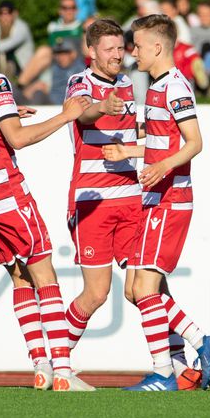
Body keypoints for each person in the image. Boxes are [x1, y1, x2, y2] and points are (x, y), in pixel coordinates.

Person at [0, 5, 94, 391]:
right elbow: (18, 139)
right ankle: (63, 371)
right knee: (44, 272)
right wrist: (66, 115)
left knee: (19, 275)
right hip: (2, 190)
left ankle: (40, 367)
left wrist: (3, 117)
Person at [103, 14, 210, 391]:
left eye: (137, 46)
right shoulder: (155, 87)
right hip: (154, 197)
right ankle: (196, 347)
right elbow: (162, 146)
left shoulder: (176, 87)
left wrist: (161, 169)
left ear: (157, 47)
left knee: (144, 290)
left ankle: (165, 372)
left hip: (171, 199)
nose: (131, 52)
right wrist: (130, 150)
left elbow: (194, 143)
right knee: (134, 290)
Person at [61, 19, 142, 361]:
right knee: (96, 294)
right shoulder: (79, 82)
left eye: (120, 48)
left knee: (144, 288)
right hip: (92, 199)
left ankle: (181, 356)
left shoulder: (127, 82)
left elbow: (135, 134)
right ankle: (57, 359)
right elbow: (81, 115)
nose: (117, 55)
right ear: (90, 52)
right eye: (109, 49)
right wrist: (102, 108)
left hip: (132, 195)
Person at [0, 1, 34, 78]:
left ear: (14, 14)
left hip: (25, 74)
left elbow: (5, 46)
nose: (4, 17)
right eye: (1, 13)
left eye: (8, 13)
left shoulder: (22, 28)